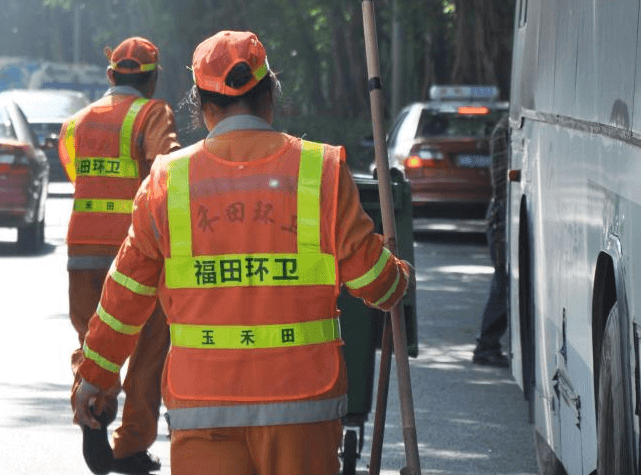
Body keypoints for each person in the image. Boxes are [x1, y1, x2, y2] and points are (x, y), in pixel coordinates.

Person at [72, 30, 412, 475]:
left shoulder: (167, 182)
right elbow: (378, 286)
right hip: (303, 409)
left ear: (203, 106)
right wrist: (397, 268)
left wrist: (94, 379)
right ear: (270, 94)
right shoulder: (321, 169)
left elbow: (123, 302)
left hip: (203, 410)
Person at [59, 36, 180, 475]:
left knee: (94, 343)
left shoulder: (77, 122)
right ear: (151, 78)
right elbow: (164, 173)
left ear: (111, 76)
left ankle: (93, 405)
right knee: (148, 350)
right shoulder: (153, 113)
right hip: (136, 254)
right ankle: (129, 446)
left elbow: (75, 172)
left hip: (82, 255)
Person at [473, 113, 510, 367]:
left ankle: (488, 345)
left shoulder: (505, 127)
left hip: (501, 216)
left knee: (502, 282)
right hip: (502, 218)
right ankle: (486, 345)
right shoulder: (505, 129)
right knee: (502, 283)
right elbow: (501, 184)